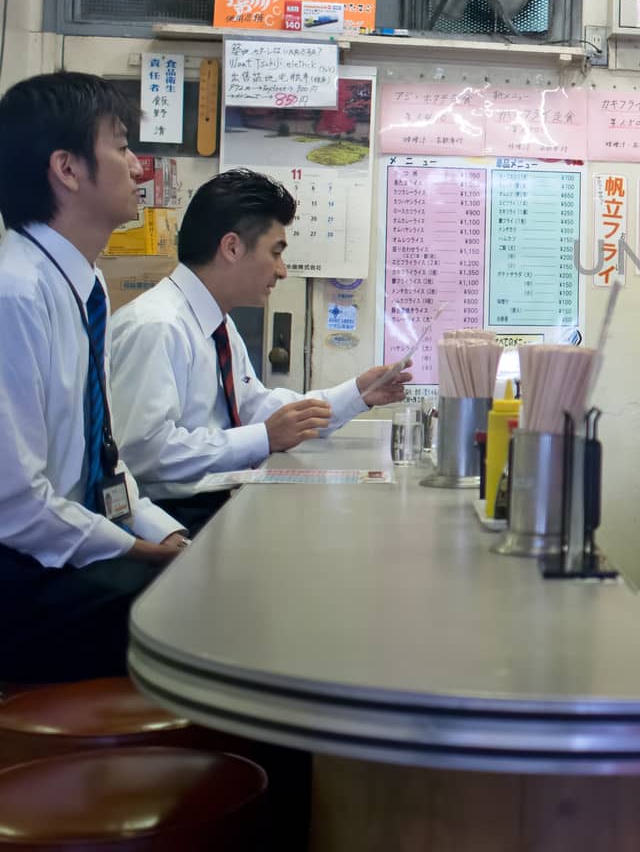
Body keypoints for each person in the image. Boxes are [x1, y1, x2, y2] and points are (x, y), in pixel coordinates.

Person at [0, 72, 191, 683]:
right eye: (122, 147)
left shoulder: (86, 287)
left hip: (64, 553)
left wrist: (171, 537)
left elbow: (104, 460)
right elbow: (17, 508)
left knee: (208, 575)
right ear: (68, 169)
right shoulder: (14, 292)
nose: (139, 168)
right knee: (211, 618)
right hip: (21, 574)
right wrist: (139, 552)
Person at [109, 169, 410, 533]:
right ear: (232, 247)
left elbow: (257, 408)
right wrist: (264, 437)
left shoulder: (216, 324)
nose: (282, 271)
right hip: (171, 521)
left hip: (212, 506)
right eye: (276, 252)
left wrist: (358, 394)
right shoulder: (157, 326)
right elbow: (144, 454)